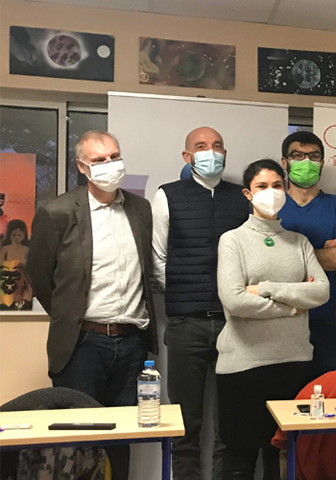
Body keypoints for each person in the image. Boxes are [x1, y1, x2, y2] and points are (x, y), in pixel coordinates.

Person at [26, 131, 157, 480]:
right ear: (83, 167)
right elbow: (40, 275)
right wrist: (69, 315)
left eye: (114, 156)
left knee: (121, 440)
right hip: (82, 344)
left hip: (132, 343)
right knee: (76, 442)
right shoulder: (56, 212)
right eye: (99, 160)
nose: (110, 164)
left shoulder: (140, 209)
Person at [216, 159, 330, 480]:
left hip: (294, 364)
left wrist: (265, 289)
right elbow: (235, 301)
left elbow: (321, 291)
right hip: (244, 367)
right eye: (262, 186)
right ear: (248, 194)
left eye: (277, 186)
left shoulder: (300, 242)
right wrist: (292, 306)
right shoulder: (233, 240)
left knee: (282, 460)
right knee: (239, 460)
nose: (271, 192)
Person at [151, 127, 248, 480]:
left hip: (235, 325)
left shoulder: (242, 197)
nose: (211, 151)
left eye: (217, 146)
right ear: (187, 156)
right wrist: (183, 290)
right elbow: (158, 257)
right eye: (202, 146)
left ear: (225, 153)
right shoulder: (168, 195)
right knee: (184, 425)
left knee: (230, 426)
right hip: (185, 324)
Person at [277, 131, 336, 378]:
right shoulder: (270, 205)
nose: (306, 162)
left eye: (313, 156)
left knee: (318, 396)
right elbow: (259, 261)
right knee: (278, 396)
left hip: (322, 320)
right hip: (276, 320)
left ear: (322, 163)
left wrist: (285, 257)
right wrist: (324, 253)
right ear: (284, 162)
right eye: (298, 156)